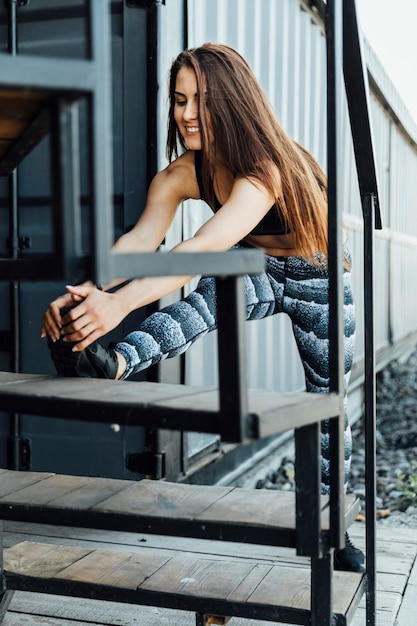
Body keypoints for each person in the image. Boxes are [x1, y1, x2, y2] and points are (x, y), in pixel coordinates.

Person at [41, 43, 363, 572]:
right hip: (254, 263)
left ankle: (337, 530)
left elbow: (201, 249)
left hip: (319, 276)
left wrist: (119, 304)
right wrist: (83, 293)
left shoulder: (265, 170)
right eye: (179, 100)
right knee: (198, 309)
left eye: (202, 101)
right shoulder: (180, 175)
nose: (187, 114)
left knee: (329, 405)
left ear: (233, 102)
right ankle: (113, 363)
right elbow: (142, 241)